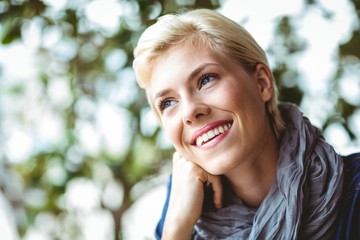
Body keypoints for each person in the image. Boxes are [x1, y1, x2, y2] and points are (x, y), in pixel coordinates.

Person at [132, 9, 359, 240]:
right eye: (168, 102)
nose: (190, 111)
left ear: (262, 83)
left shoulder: (355, 192)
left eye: (206, 79)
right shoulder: (177, 221)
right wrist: (177, 227)